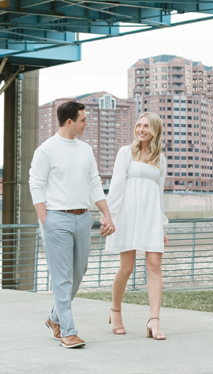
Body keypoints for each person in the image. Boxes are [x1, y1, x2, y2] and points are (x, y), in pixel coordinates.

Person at [29, 100, 116, 349]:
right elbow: (35, 184)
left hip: (83, 218)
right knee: (62, 278)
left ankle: (54, 317)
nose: (86, 123)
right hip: (57, 219)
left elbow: (94, 183)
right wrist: (45, 219)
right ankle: (67, 331)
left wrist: (106, 214)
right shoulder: (46, 150)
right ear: (70, 122)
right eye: (83, 120)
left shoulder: (85, 150)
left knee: (79, 272)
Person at [104, 112, 169, 341]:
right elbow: (117, 187)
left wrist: (161, 225)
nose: (141, 129)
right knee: (127, 268)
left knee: (155, 265)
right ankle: (115, 310)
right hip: (128, 215)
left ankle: (154, 320)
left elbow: (159, 195)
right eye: (139, 125)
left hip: (151, 216)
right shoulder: (125, 153)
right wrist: (109, 217)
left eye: (146, 126)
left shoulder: (160, 159)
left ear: (155, 131)